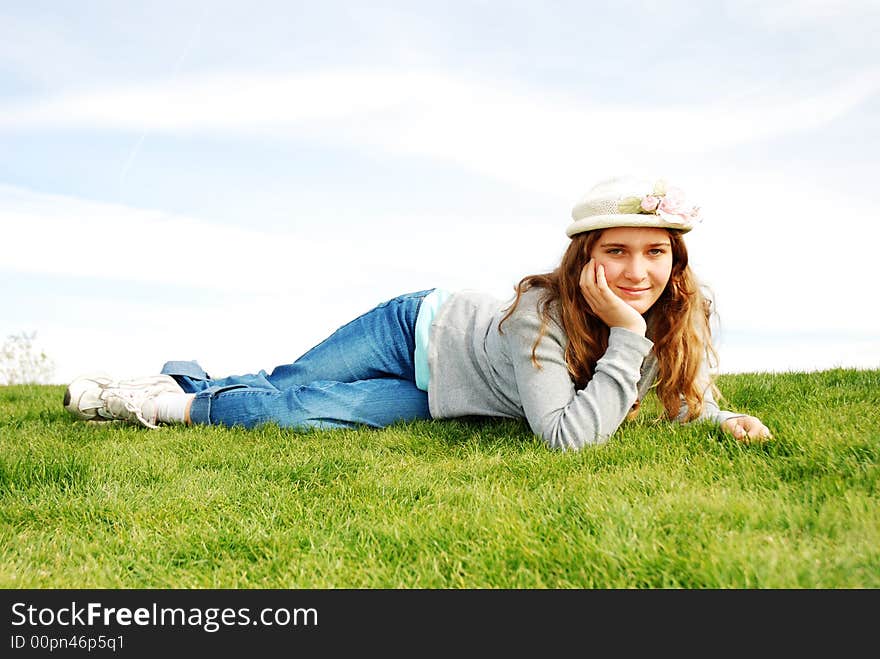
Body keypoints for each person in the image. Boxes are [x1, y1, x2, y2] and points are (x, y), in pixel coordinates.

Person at [63, 175, 772, 450]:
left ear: (676, 262)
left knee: (292, 413)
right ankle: (171, 383)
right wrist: (624, 333)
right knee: (287, 378)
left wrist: (714, 414)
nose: (638, 271)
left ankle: (156, 406)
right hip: (417, 325)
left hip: (441, 392)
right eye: (617, 250)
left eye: (655, 252)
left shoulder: (669, 314)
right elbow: (564, 433)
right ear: (586, 255)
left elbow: (655, 397)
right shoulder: (543, 313)